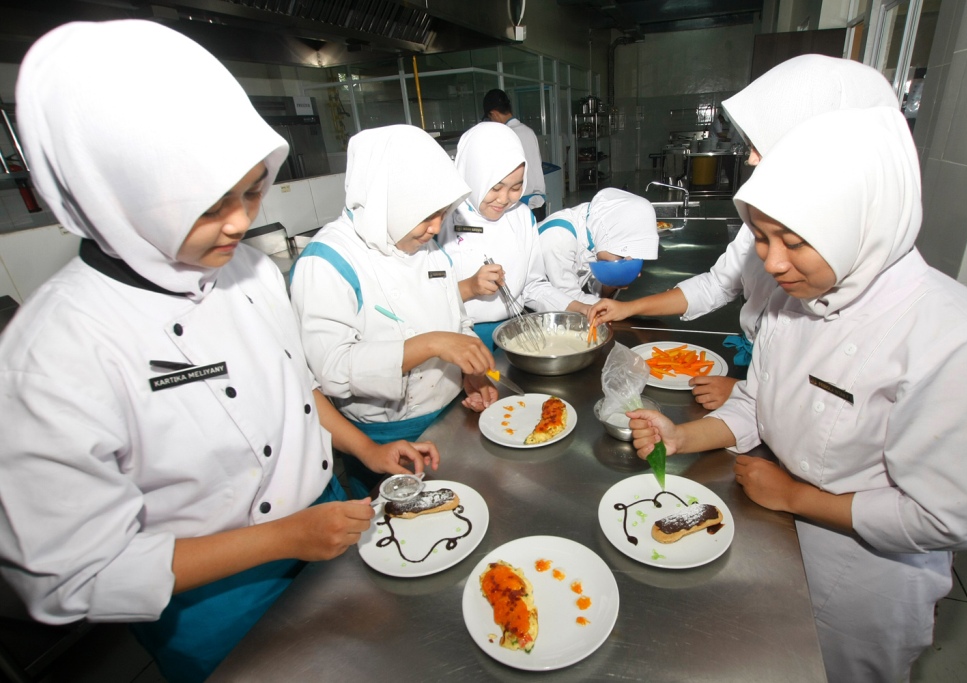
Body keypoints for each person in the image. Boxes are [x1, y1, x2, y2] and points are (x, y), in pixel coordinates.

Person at [0, 20, 441, 683]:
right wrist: (284, 537)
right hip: (214, 602)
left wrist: (366, 450)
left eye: (251, 189)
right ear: (115, 197)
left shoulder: (252, 271)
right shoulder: (52, 355)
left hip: (326, 522)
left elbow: (297, 390)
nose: (239, 221)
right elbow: (73, 575)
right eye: (209, 206)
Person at [628, 105, 967, 682]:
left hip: (865, 577)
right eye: (762, 238)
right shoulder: (795, 296)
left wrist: (795, 497)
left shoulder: (957, 339)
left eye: (793, 242)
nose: (772, 263)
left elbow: (945, 517)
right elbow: (757, 400)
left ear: (860, 228)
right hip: (772, 525)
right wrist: (683, 436)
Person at [589, 54, 900, 410]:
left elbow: (837, 394)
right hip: (758, 376)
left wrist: (748, 392)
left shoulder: (866, 272)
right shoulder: (763, 224)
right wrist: (628, 307)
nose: (751, 158)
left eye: (761, 144)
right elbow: (718, 284)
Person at [289, 124, 497, 497]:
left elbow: (456, 318)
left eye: (442, 213)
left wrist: (468, 372)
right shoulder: (326, 262)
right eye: (426, 215)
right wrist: (431, 344)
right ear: (389, 200)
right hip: (385, 438)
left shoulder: (425, 245)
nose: (436, 227)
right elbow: (332, 369)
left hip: (450, 416)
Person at [438, 121, 589, 350]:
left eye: (516, 188)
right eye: (495, 187)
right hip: (458, 337)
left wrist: (578, 307)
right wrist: (470, 286)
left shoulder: (522, 216)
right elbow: (425, 299)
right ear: (473, 175)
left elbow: (533, 286)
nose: (504, 199)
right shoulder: (439, 221)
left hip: (515, 333)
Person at [538, 187, 659, 303]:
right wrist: (626, 308)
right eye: (623, 253)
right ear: (608, 238)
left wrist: (614, 281)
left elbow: (596, 288)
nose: (628, 259)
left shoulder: (595, 232)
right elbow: (566, 301)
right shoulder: (559, 237)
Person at [482, 88, 548, 222]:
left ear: (494, 114)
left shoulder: (504, 135)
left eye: (490, 118)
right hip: (539, 203)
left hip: (520, 206)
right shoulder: (529, 131)